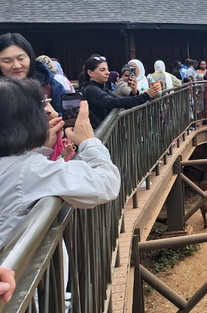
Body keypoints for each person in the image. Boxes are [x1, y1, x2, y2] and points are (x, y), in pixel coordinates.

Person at [0, 77, 121, 248]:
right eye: (43, 105)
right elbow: (106, 183)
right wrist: (89, 140)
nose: (49, 111)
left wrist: (41, 151)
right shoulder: (31, 170)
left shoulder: (21, 167)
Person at [80, 55, 161, 128]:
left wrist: (134, 92)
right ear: (90, 72)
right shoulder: (91, 90)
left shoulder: (103, 89)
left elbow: (121, 100)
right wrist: (145, 96)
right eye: (102, 70)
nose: (107, 73)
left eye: (107, 69)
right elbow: (113, 102)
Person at [0, 33, 67, 114]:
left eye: (21, 58)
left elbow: (72, 121)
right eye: (7, 61)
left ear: (30, 58)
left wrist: (56, 116)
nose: (16, 66)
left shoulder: (51, 86)